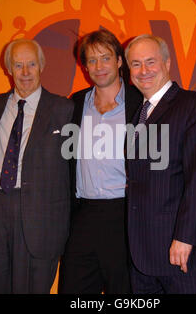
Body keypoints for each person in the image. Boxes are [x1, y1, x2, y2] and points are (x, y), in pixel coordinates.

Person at [124, 34, 196, 294]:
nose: (143, 70)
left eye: (150, 61)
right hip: (144, 256)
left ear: (167, 63)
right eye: (135, 64)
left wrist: (185, 238)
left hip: (183, 254)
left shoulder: (192, 106)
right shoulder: (139, 113)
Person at [0, 38, 74, 293]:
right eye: (18, 65)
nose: (25, 72)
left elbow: (74, 169)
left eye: (31, 64)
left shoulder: (64, 109)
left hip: (40, 217)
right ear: (8, 68)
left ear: (42, 65)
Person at [58, 29, 142, 294]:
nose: (98, 66)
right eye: (91, 60)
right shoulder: (76, 103)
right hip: (83, 216)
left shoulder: (140, 103)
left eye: (105, 58)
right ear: (84, 66)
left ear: (119, 61)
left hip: (126, 216)